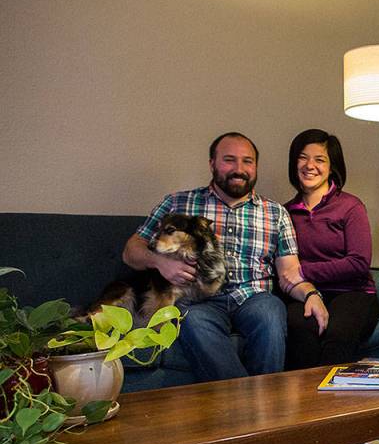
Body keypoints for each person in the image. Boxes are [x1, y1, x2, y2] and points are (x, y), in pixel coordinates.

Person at [124, 132, 327, 381]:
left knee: (271, 312)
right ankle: (254, 402)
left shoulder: (276, 213)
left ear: (256, 166)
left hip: (254, 298)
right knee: (191, 319)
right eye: (229, 160)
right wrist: (160, 262)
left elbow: (289, 272)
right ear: (212, 163)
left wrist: (311, 294)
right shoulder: (178, 203)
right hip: (199, 301)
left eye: (247, 161)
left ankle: (255, 398)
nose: (239, 169)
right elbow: (131, 251)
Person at [283, 129, 379, 369]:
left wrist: (304, 271)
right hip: (306, 293)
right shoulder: (284, 213)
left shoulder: (350, 206)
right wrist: (307, 288)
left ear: (331, 166)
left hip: (353, 293)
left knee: (337, 336)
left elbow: (358, 263)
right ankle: (306, 393)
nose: (310, 165)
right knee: (300, 332)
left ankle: (330, 394)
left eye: (320, 159)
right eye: (303, 157)